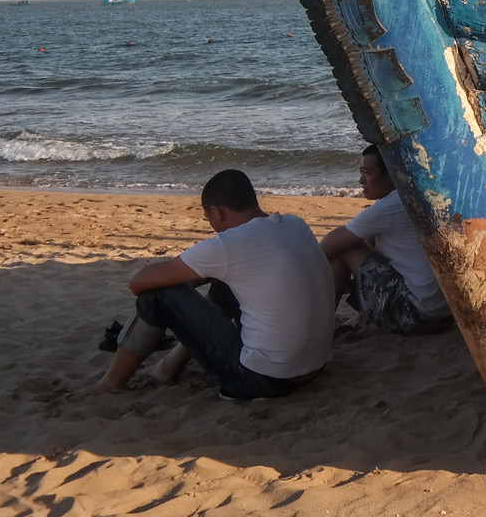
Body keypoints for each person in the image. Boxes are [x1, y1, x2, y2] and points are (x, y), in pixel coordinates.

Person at [92, 169, 333, 400]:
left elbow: (138, 282)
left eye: (208, 218)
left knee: (157, 295)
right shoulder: (294, 223)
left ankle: (111, 382)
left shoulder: (229, 244)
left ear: (216, 212)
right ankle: (167, 367)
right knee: (225, 281)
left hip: (261, 380)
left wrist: (180, 288)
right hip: (313, 368)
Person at [321, 145, 452, 336]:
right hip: (447, 314)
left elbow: (326, 248)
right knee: (368, 241)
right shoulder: (422, 195)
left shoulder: (389, 207)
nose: (361, 181)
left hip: (418, 316)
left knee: (345, 249)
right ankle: (361, 317)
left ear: (391, 174)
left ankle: (318, 330)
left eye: (367, 172)